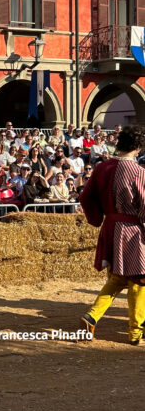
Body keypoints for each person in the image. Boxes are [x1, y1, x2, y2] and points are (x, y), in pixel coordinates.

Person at [79, 125, 145, 345]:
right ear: (137, 147)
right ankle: (135, 332)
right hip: (132, 231)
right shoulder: (138, 172)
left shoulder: (101, 167)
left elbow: (85, 197)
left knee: (118, 277)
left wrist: (98, 219)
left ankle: (91, 316)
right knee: (139, 279)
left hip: (111, 226)